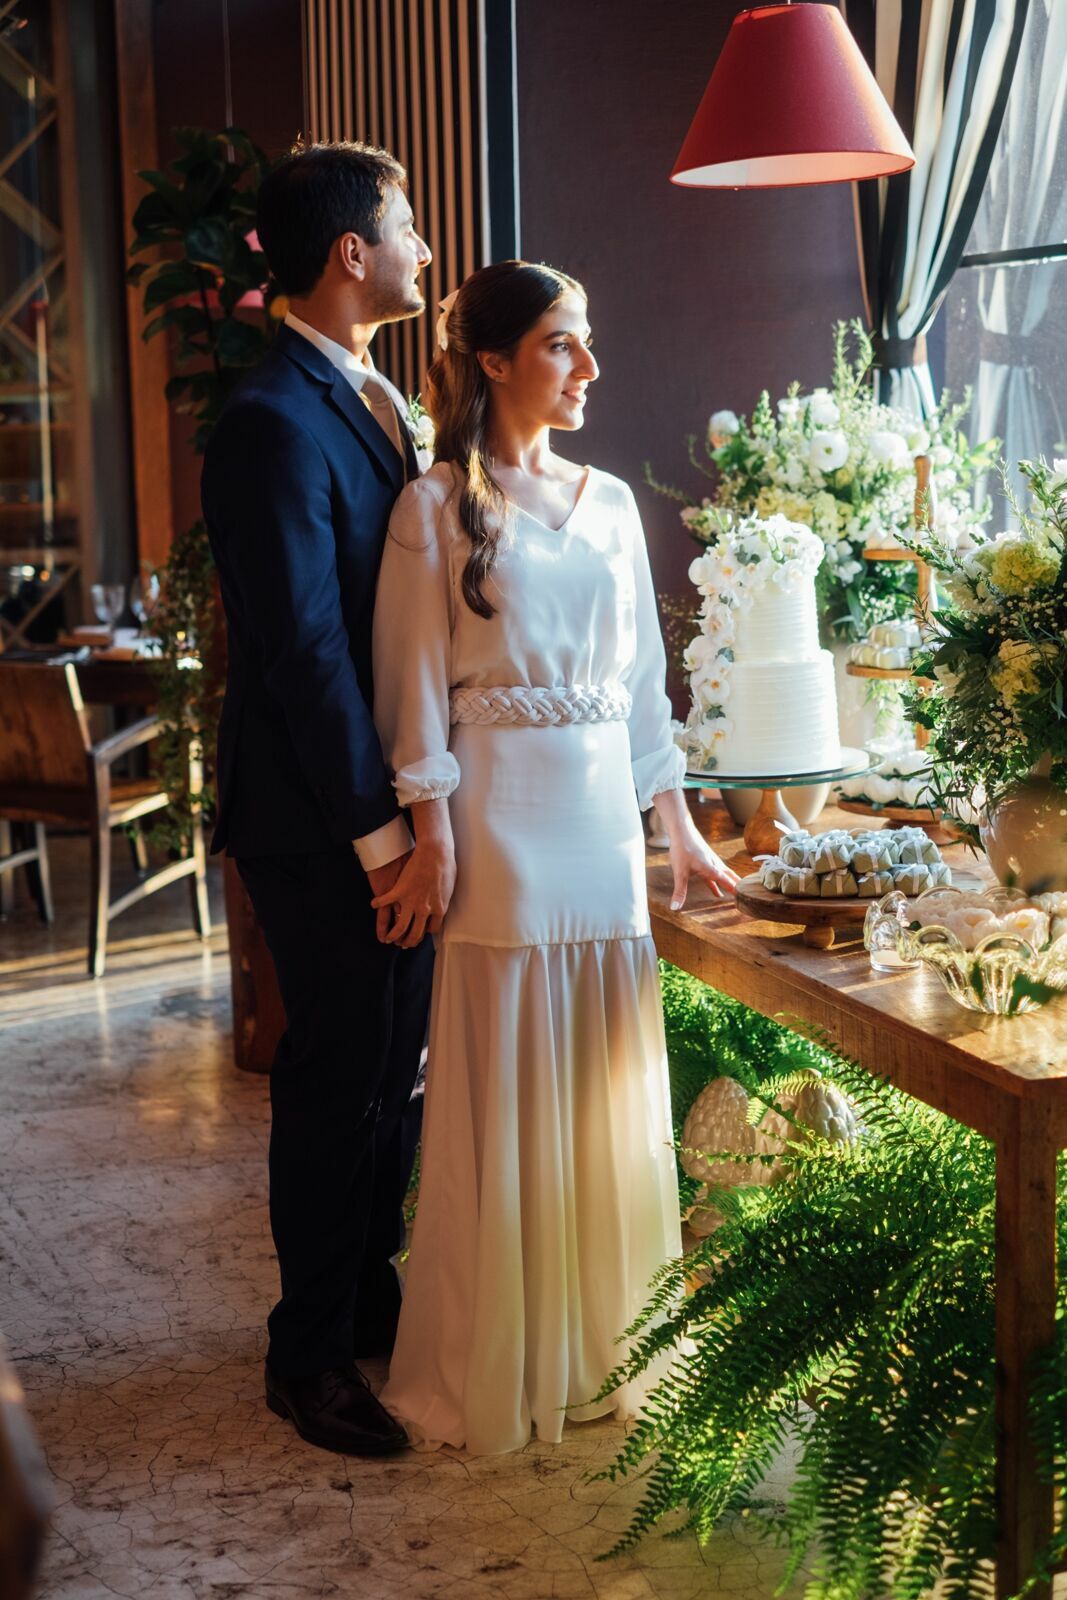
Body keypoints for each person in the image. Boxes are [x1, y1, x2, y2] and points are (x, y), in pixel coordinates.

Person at [370, 260, 739, 1455]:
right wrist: (430, 837)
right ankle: (504, 1358)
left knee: (603, 1078)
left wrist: (674, 827)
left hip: (599, 832)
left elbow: (642, 690)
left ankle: (604, 1351)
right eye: (560, 344)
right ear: (492, 359)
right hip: (499, 828)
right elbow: (410, 692)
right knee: (509, 1085)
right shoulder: (434, 506)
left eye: (585, 342)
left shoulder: (615, 503)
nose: (588, 366)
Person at [200, 140, 433, 1456]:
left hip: (395, 802)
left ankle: (365, 1293)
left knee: (390, 1070)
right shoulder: (269, 421)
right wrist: (379, 835)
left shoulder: (376, 394)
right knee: (337, 1074)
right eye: (404, 228)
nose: (420, 250)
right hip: (317, 817)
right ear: (352, 252)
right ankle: (306, 1358)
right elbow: (302, 651)